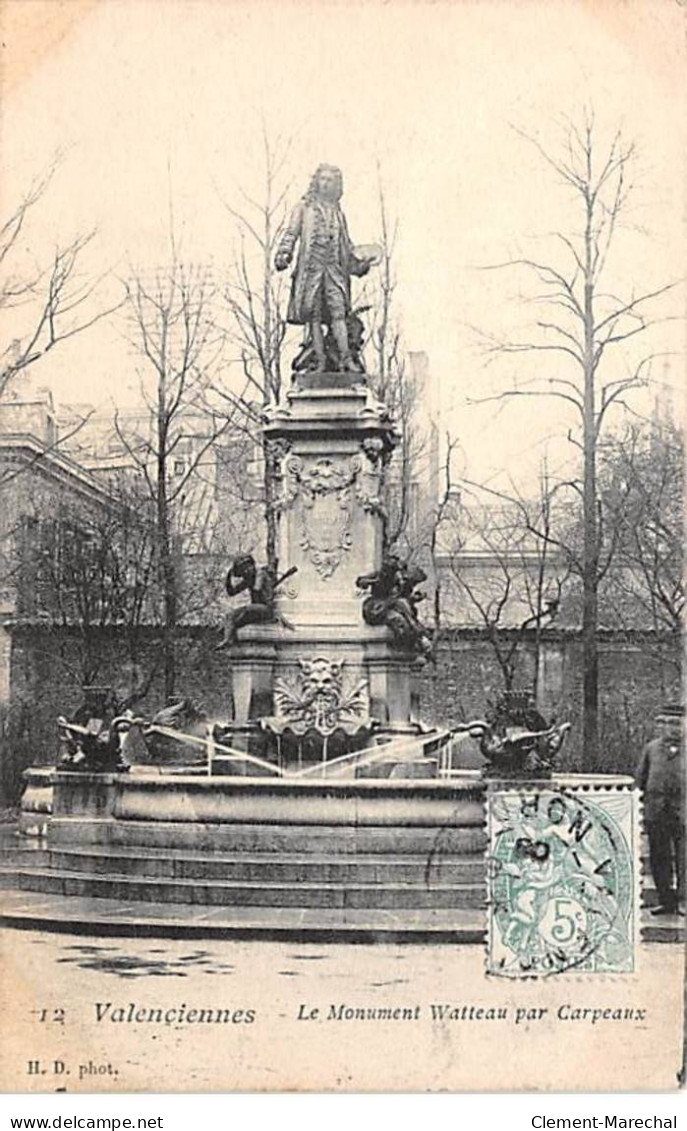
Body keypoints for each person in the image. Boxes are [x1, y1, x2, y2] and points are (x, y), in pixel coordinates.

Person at [275, 164, 375, 373]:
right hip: (311, 270)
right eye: (323, 179)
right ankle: (319, 361)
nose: (326, 183)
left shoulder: (338, 214)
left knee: (339, 312)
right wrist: (284, 253)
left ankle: (345, 360)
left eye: (331, 180)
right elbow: (291, 233)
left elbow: (347, 248)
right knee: (314, 316)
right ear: (316, 182)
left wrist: (360, 266)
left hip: (334, 272)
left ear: (337, 185)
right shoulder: (303, 207)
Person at [636, 705, 684, 916]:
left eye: (677, 723)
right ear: (661, 726)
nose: (672, 728)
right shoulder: (651, 748)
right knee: (659, 857)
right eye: (667, 723)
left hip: (683, 814)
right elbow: (640, 780)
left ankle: (683, 902)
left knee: (684, 859)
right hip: (656, 812)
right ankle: (666, 901)